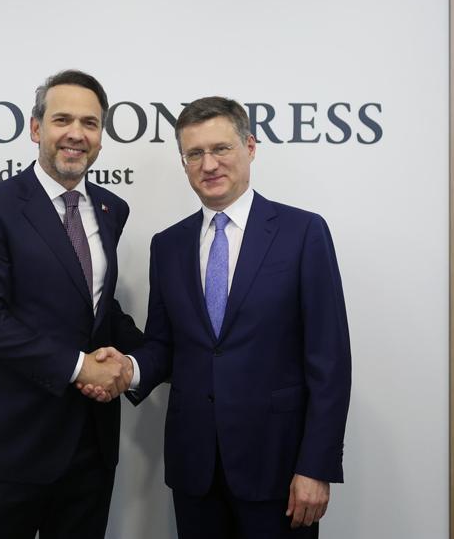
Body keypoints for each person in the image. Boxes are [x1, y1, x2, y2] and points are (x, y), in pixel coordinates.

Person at [81, 96, 351, 538]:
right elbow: (165, 345)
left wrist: (316, 466)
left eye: (220, 148)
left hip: (279, 469)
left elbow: (330, 361)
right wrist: (128, 369)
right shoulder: (168, 245)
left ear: (250, 147)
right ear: (184, 162)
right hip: (195, 469)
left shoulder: (303, 233)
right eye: (194, 154)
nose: (208, 164)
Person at [0, 69, 143, 539]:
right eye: (62, 120)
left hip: (89, 450)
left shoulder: (112, 209)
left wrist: (146, 360)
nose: (76, 133)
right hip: (8, 447)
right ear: (36, 128)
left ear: (101, 136)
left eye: (90, 123)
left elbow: (95, 309)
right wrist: (80, 367)